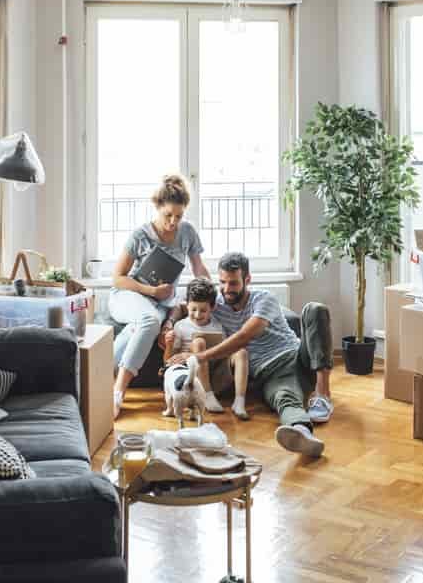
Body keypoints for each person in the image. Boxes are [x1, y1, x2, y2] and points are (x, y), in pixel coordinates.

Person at [168, 252, 334, 457]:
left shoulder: (264, 299)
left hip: (297, 356)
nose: (227, 289)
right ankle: (302, 432)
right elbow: (183, 305)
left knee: (314, 309)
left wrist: (199, 357)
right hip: (271, 376)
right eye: (222, 282)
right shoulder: (217, 303)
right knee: (285, 400)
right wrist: (169, 325)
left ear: (247, 280)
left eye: (233, 283)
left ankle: (323, 394)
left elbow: (244, 336)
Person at [110, 175, 210, 418]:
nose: (173, 222)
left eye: (179, 216)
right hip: (128, 296)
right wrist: (152, 291)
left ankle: (97, 372)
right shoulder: (140, 235)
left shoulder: (187, 233)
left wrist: (212, 293)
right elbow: (117, 278)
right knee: (149, 320)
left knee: (146, 323)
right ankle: (118, 391)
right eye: (168, 215)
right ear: (157, 207)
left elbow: (199, 269)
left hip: (159, 305)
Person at [164, 278, 250, 420]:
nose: (198, 315)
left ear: (213, 308)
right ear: (187, 305)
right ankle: (207, 396)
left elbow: (223, 352)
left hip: (217, 375)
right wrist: (170, 345)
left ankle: (239, 402)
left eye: (203, 310)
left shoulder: (217, 325)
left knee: (241, 352)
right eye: (193, 310)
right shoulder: (180, 326)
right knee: (199, 342)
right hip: (194, 381)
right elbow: (168, 361)